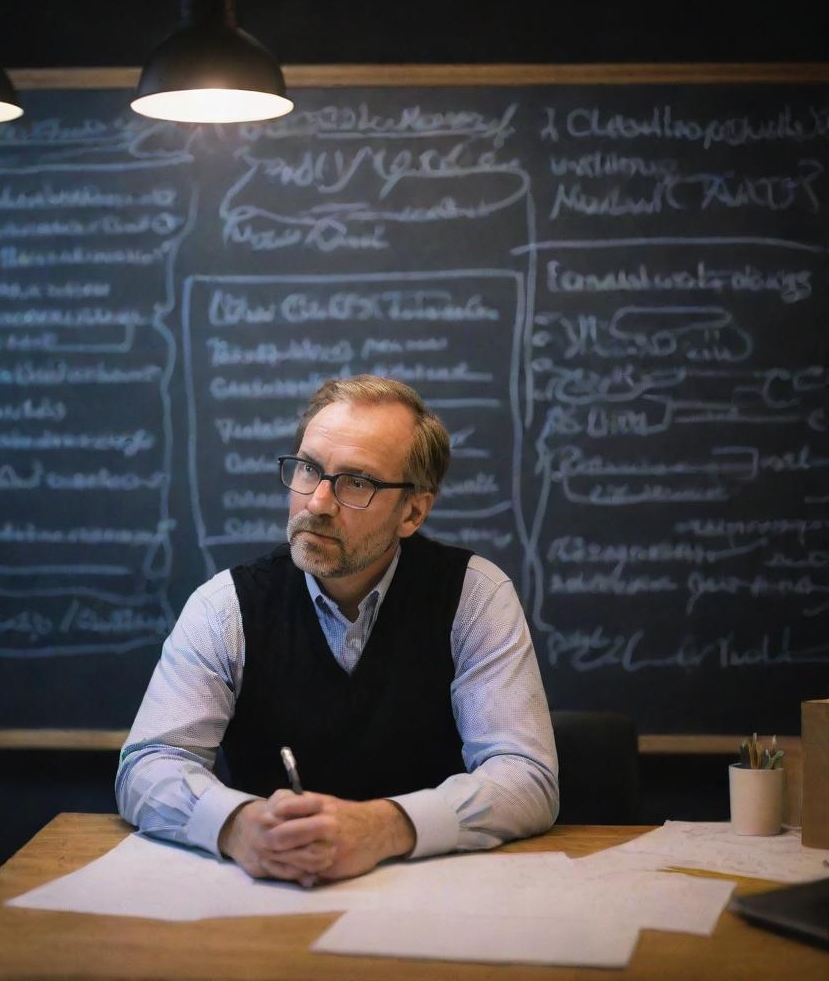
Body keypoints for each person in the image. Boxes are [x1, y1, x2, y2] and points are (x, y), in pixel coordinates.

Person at [117, 375, 558, 886]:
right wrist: (236, 825)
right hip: (272, 898)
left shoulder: (474, 597)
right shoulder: (225, 607)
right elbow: (148, 764)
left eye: (357, 483)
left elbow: (527, 778)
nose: (317, 503)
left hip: (435, 899)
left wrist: (383, 828)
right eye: (309, 469)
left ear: (413, 510)